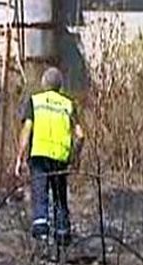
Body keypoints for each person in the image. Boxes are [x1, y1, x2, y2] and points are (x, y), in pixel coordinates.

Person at [14, 67, 84, 246]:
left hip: (39, 156)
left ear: (44, 83)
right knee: (60, 198)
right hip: (60, 157)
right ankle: (63, 237)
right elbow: (80, 135)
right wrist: (75, 158)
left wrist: (19, 158)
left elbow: (27, 130)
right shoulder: (68, 104)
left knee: (40, 196)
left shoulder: (35, 101)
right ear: (60, 86)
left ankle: (41, 240)